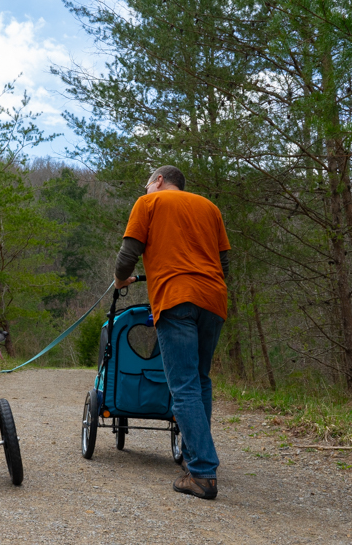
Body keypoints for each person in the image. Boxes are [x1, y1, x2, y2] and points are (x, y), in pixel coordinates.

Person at [114, 165, 230, 500]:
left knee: (184, 386)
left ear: (160, 181)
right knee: (200, 379)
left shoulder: (148, 204)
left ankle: (203, 473)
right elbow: (224, 265)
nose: (145, 188)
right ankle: (194, 457)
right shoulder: (210, 208)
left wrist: (122, 278)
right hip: (213, 299)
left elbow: (127, 256)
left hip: (176, 297)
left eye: (147, 183)